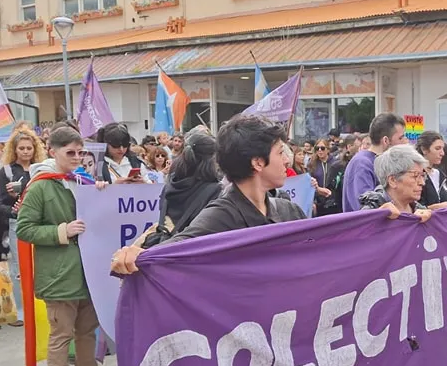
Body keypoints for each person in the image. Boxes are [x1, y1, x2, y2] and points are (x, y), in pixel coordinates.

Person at [111, 115, 308, 274]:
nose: (286, 161)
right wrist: (134, 255)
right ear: (257, 162)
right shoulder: (219, 218)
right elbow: (168, 252)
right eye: (280, 152)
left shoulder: (290, 212)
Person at [16, 127, 114, 366]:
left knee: (87, 331)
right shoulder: (40, 186)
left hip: (87, 271)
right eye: (70, 152)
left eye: (80, 152)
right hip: (59, 273)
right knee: (61, 335)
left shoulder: (82, 180)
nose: (76, 157)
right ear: (52, 151)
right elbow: (24, 228)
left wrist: (100, 194)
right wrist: (62, 231)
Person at [140, 128, 223, 248]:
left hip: (168, 250)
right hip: (196, 252)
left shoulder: (170, 185)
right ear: (211, 160)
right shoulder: (215, 190)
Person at [0, 128, 47, 327]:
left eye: (29, 148)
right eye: (22, 148)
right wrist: (12, 206)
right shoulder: (7, 171)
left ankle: (41, 306)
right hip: (17, 222)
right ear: (14, 150)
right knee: (19, 268)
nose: (26, 152)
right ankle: (21, 310)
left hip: (42, 222)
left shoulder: (42, 168)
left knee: (41, 264)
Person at [342, 113, 407, 212]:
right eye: (400, 138)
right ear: (386, 140)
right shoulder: (362, 164)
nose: (405, 142)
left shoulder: (384, 162)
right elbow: (366, 208)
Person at [358, 145, 433, 222]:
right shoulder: (372, 210)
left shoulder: (420, 211)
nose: (422, 183)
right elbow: (358, 231)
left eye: (423, 176)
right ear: (392, 180)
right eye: (415, 176)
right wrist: (376, 217)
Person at [416, 131, 447, 207]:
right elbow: (413, 206)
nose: (442, 153)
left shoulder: (440, 174)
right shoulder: (415, 175)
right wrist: (433, 208)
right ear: (424, 149)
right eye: (437, 149)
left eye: (442, 149)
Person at [308, 139, 337, 215]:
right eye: (317, 148)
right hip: (319, 202)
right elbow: (309, 182)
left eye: (322, 148)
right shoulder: (312, 164)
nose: (320, 150)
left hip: (334, 201)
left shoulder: (335, 163)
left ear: (328, 150)